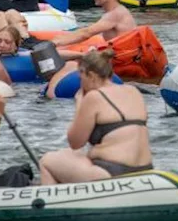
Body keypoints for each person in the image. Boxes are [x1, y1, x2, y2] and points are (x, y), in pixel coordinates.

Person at [38, 49, 152, 182]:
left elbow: (75, 142)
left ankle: (51, 202)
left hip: (113, 171)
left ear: (91, 76)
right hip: (145, 168)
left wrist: (80, 103)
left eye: (81, 78)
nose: (81, 84)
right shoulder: (134, 92)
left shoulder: (94, 97)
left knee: (47, 161)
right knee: (71, 155)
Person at [44, 0, 136, 54]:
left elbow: (87, 33)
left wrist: (56, 42)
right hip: (120, 55)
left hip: (123, 60)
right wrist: (61, 38)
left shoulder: (115, 14)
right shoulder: (117, 10)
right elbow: (87, 31)